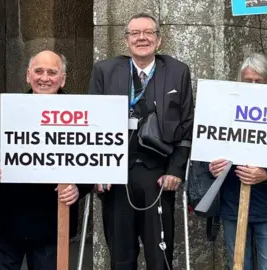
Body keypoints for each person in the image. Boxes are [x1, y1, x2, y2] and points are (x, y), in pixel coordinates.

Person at [88, 12, 193, 270]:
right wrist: (97, 173)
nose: (142, 38)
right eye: (135, 33)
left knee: (160, 255)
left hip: (157, 176)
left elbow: (187, 125)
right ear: (127, 40)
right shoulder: (104, 71)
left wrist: (175, 170)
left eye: (148, 33)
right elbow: (91, 125)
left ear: (159, 40)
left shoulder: (178, 71)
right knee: (121, 256)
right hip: (116, 176)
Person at [0, 50, 93, 270]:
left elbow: (94, 159)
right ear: (28, 75)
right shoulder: (7, 109)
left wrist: (80, 188)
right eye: (38, 71)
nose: (44, 78)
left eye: (52, 72)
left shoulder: (82, 112)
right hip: (7, 222)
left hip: (52, 225)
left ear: (63, 79)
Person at [209, 52, 267, 270]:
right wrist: (213, 166)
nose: (253, 86)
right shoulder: (223, 110)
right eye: (248, 81)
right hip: (234, 203)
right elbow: (210, 143)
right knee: (238, 265)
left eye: (259, 81)